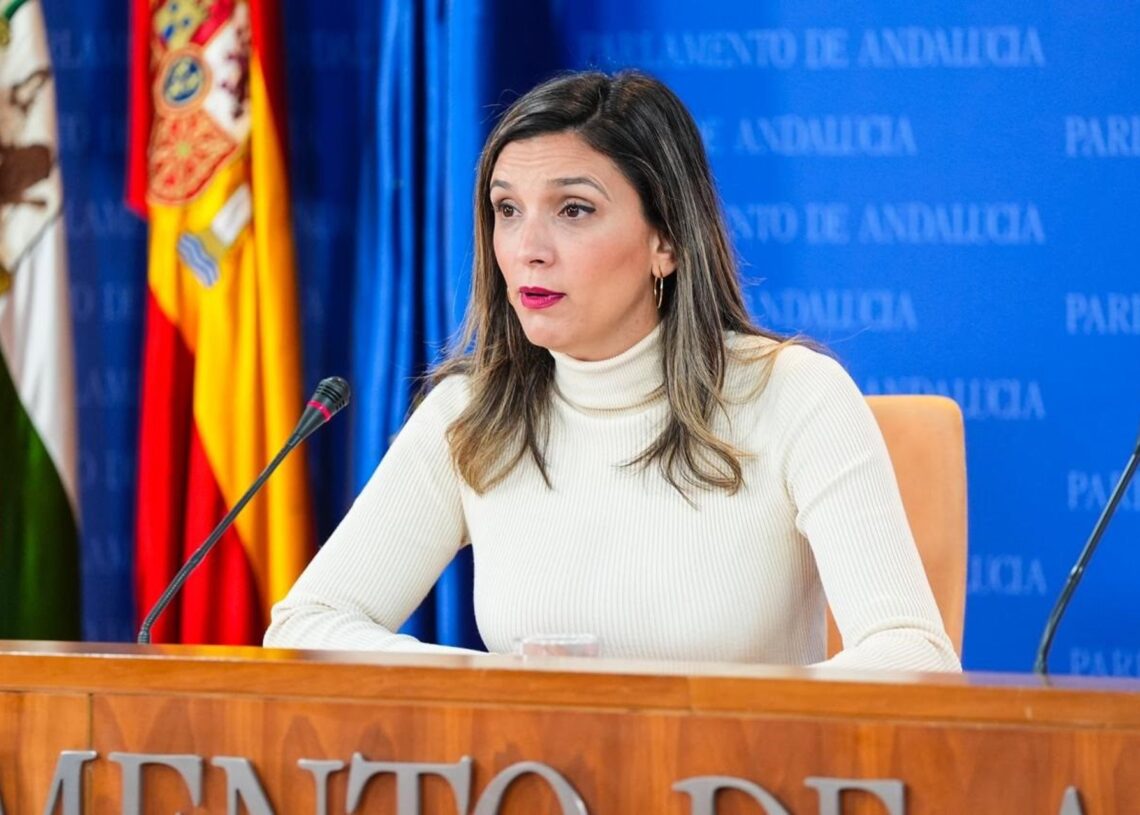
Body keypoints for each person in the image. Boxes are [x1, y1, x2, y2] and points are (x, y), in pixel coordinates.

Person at [264, 70, 960, 672]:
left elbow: (912, 653)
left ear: (667, 241)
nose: (528, 248)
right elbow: (308, 624)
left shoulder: (792, 395)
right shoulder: (470, 412)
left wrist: (690, 707)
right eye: (507, 210)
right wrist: (503, 684)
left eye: (573, 210)